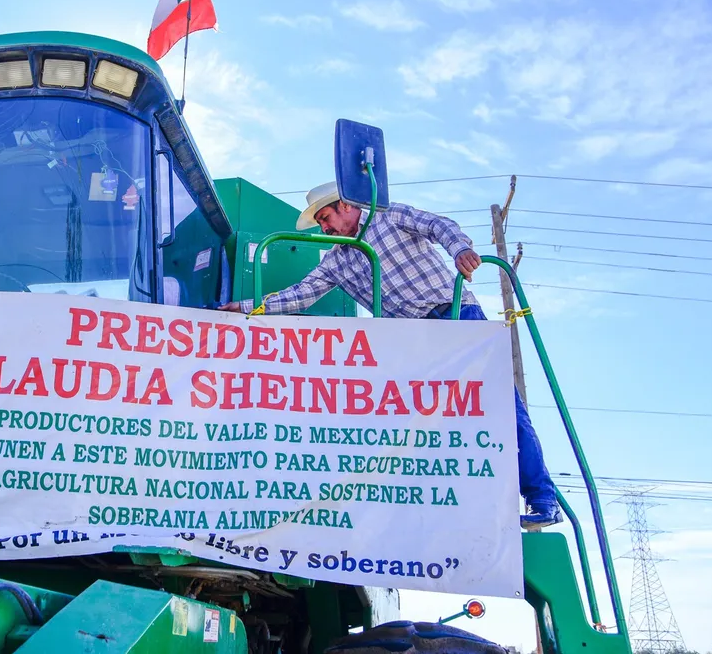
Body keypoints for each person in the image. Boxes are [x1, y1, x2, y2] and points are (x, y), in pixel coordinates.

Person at [222, 181, 562, 530]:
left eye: (325, 218)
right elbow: (303, 293)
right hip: (415, 341)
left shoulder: (390, 216)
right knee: (427, 421)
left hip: (456, 316)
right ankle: (454, 508)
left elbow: (437, 225)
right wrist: (249, 308)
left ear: (345, 205)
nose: (323, 228)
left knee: (503, 406)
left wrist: (459, 249)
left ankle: (542, 499)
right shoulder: (336, 261)